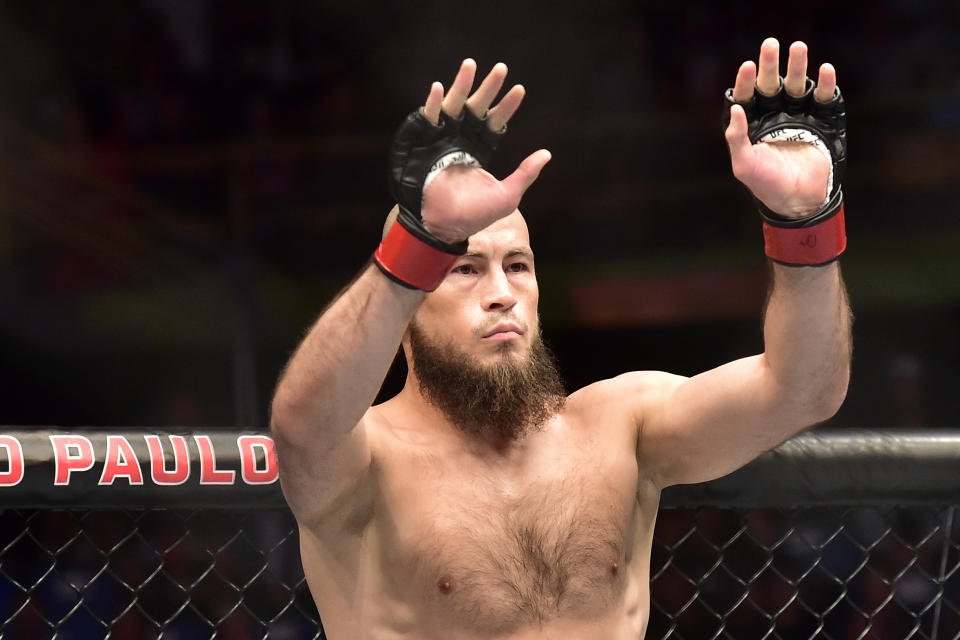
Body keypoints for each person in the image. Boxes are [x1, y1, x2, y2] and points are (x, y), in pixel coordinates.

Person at [270, 37, 852, 639]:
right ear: (409, 301)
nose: (502, 292)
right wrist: (421, 242)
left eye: (517, 265)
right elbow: (302, 424)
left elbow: (802, 388)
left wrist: (805, 223)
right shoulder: (367, 462)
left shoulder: (620, 426)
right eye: (464, 268)